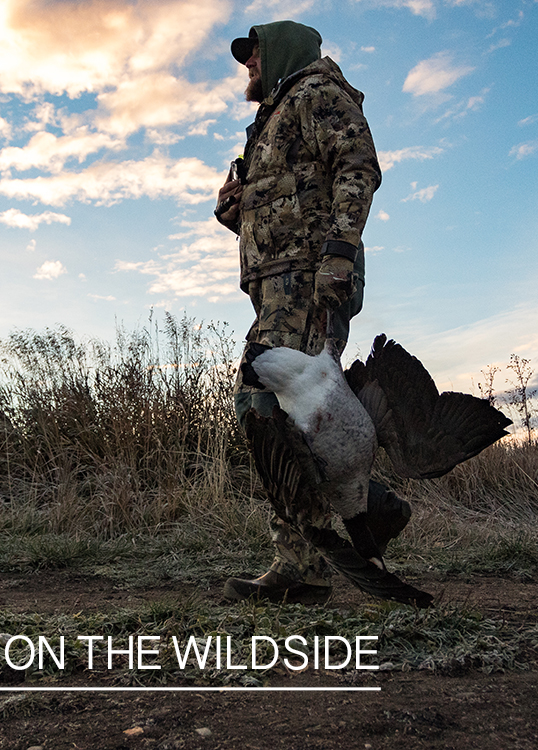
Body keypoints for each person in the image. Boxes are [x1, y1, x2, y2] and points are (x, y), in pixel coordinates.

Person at [215, 20, 410, 604]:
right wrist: (235, 202)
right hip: (276, 281)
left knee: (267, 408)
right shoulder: (268, 121)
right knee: (274, 412)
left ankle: (314, 555)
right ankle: (359, 515)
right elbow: (269, 203)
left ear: (282, 52)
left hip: (310, 277)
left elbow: (358, 168)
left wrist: (340, 253)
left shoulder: (316, 93)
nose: (248, 65)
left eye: (254, 55)